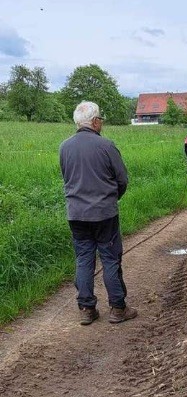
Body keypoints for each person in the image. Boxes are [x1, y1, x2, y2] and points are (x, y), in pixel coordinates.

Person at [59, 101, 137, 325]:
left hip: (75, 214)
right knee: (110, 258)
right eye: (100, 119)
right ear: (94, 122)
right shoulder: (106, 146)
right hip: (104, 213)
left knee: (84, 258)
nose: (101, 122)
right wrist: (112, 198)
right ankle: (118, 308)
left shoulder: (64, 147)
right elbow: (122, 180)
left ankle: (86, 309)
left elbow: (67, 178)